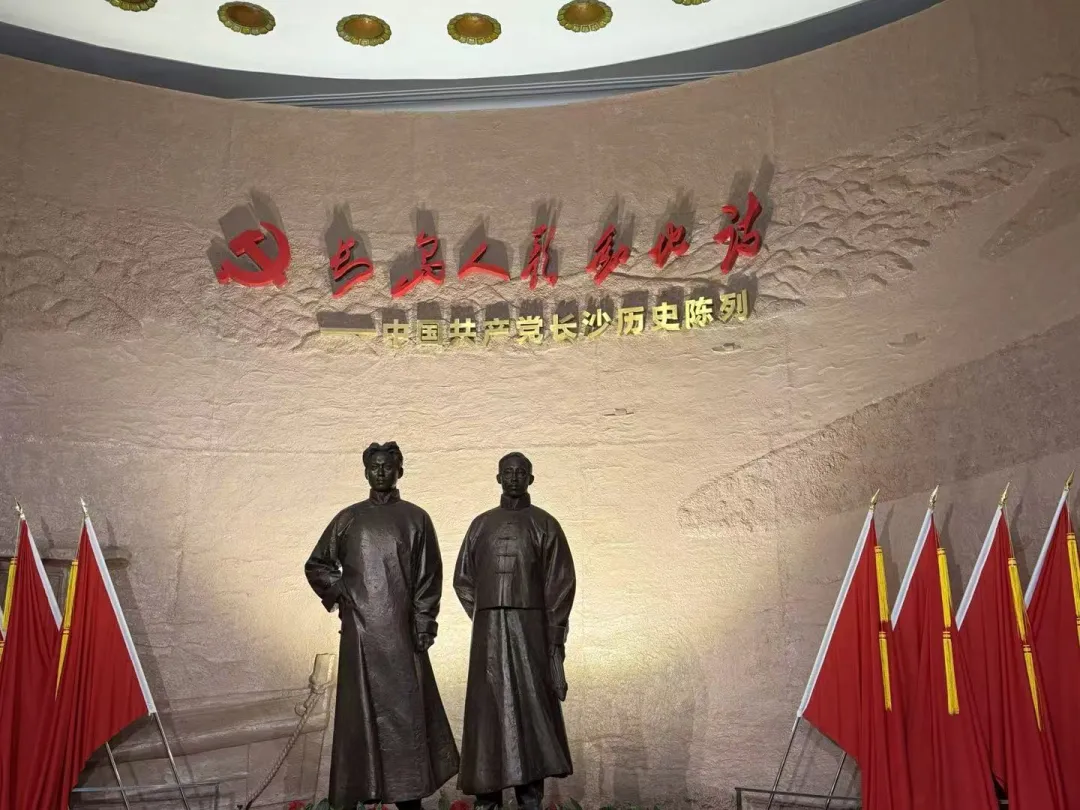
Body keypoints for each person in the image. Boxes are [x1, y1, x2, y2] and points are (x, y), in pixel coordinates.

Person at [306, 441, 459, 810]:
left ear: (399, 471)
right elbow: (317, 565)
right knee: (359, 718)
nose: (380, 472)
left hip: (401, 635)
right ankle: (360, 790)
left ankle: (409, 796)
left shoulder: (416, 519)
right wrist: (342, 592)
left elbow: (428, 577)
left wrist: (424, 623)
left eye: (387, 466)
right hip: (360, 636)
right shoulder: (348, 519)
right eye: (374, 466)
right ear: (365, 471)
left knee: (407, 716)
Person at [454, 452, 577, 810]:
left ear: (530, 479)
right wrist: (486, 614)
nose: (513, 478)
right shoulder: (481, 525)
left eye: (520, 472)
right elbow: (463, 579)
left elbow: (560, 582)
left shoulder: (545, 524)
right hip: (488, 632)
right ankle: (487, 796)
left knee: (531, 708)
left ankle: (530, 797)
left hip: (530, 630)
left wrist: (552, 633)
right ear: (498, 477)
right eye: (507, 472)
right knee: (487, 713)